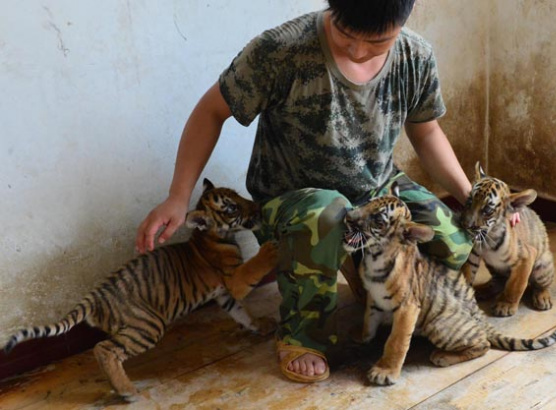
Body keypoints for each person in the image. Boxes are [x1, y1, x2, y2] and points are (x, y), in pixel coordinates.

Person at [136, 0, 485, 383]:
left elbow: (427, 131)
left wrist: (471, 197)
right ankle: (302, 332)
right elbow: (210, 111)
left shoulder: (415, 55)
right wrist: (177, 196)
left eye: (377, 42)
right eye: (345, 35)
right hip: (295, 201)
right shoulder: (281, 50)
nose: (357, 52)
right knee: (329, 212)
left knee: (454, 245)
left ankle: (359, 269)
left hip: (376, 191)